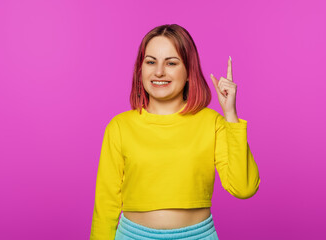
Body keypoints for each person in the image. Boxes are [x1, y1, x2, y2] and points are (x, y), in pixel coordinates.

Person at [90, 24, 261, 240]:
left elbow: (244, 188)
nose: (159, 71)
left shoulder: (212, 122)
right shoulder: (119, 126)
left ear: (189, 71)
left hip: (198, 235)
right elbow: (105, 204)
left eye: (171, 63)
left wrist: (230, 114)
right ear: (140, 69)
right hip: (133, 235)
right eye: (151, 62)